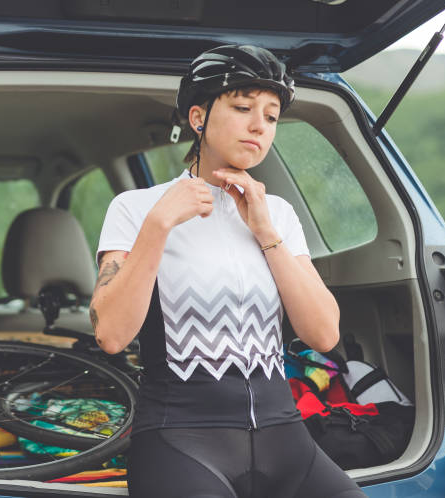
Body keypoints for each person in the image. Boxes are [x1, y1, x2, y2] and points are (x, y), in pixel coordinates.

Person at [90, 45, 367, 498]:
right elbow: (110, 335)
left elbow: (323, 335)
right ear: (198, 118)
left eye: (272, 116)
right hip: (180, 442)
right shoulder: (137, 209)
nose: (259, 125)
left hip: (288, 441)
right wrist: (159, 225)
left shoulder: (277, 213)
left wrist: (265, 231)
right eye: (242, 108)